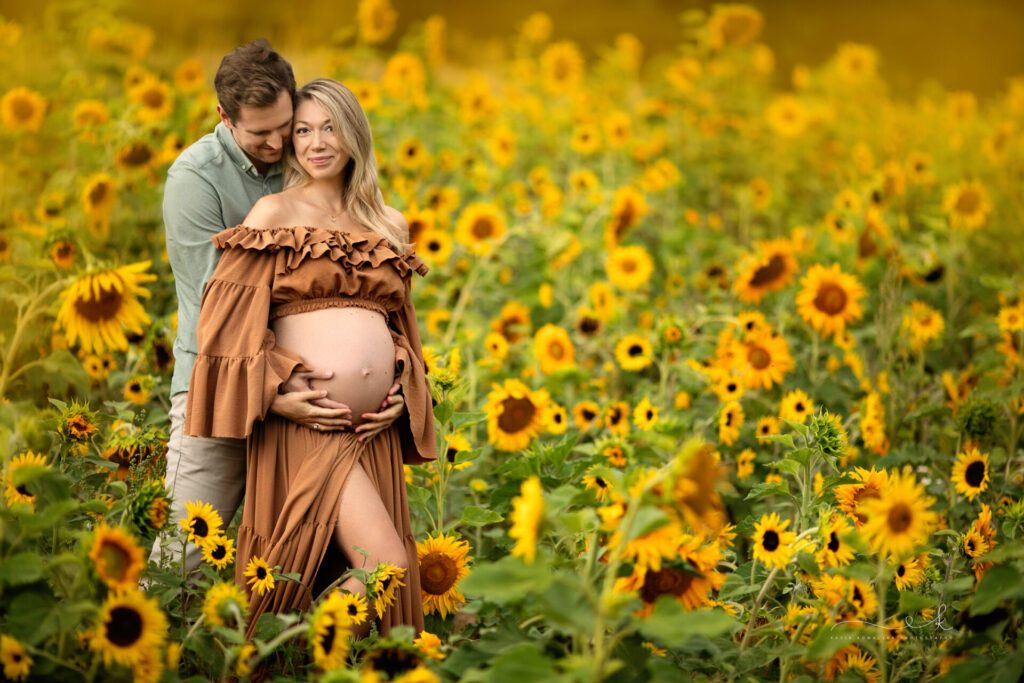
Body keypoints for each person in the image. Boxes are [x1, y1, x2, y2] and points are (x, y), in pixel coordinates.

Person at [184, 77, 437, 638]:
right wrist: (278, 395)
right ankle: (274, 656)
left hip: (369, 431)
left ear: (354, 135)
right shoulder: (273, 213)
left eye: (329, 127)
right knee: (386, 567)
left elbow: (401, 329)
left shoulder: (388, 224)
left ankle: (303, 663)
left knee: (365, 571)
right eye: (302, 130)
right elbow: (227, 325)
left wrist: (401, 389)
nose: (316, 142)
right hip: (310, 422)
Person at [157, 40, 407, 573]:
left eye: (287, 125)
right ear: (225, 118)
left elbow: (384, 309)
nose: (279, 144)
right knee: (187, 556)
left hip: (332, 416)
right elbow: (217, 310)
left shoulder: (319, 167)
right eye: (261, 133)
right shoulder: (196, 180)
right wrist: (274, 392)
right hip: (224, 383)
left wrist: (398, 377)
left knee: (325, 565)